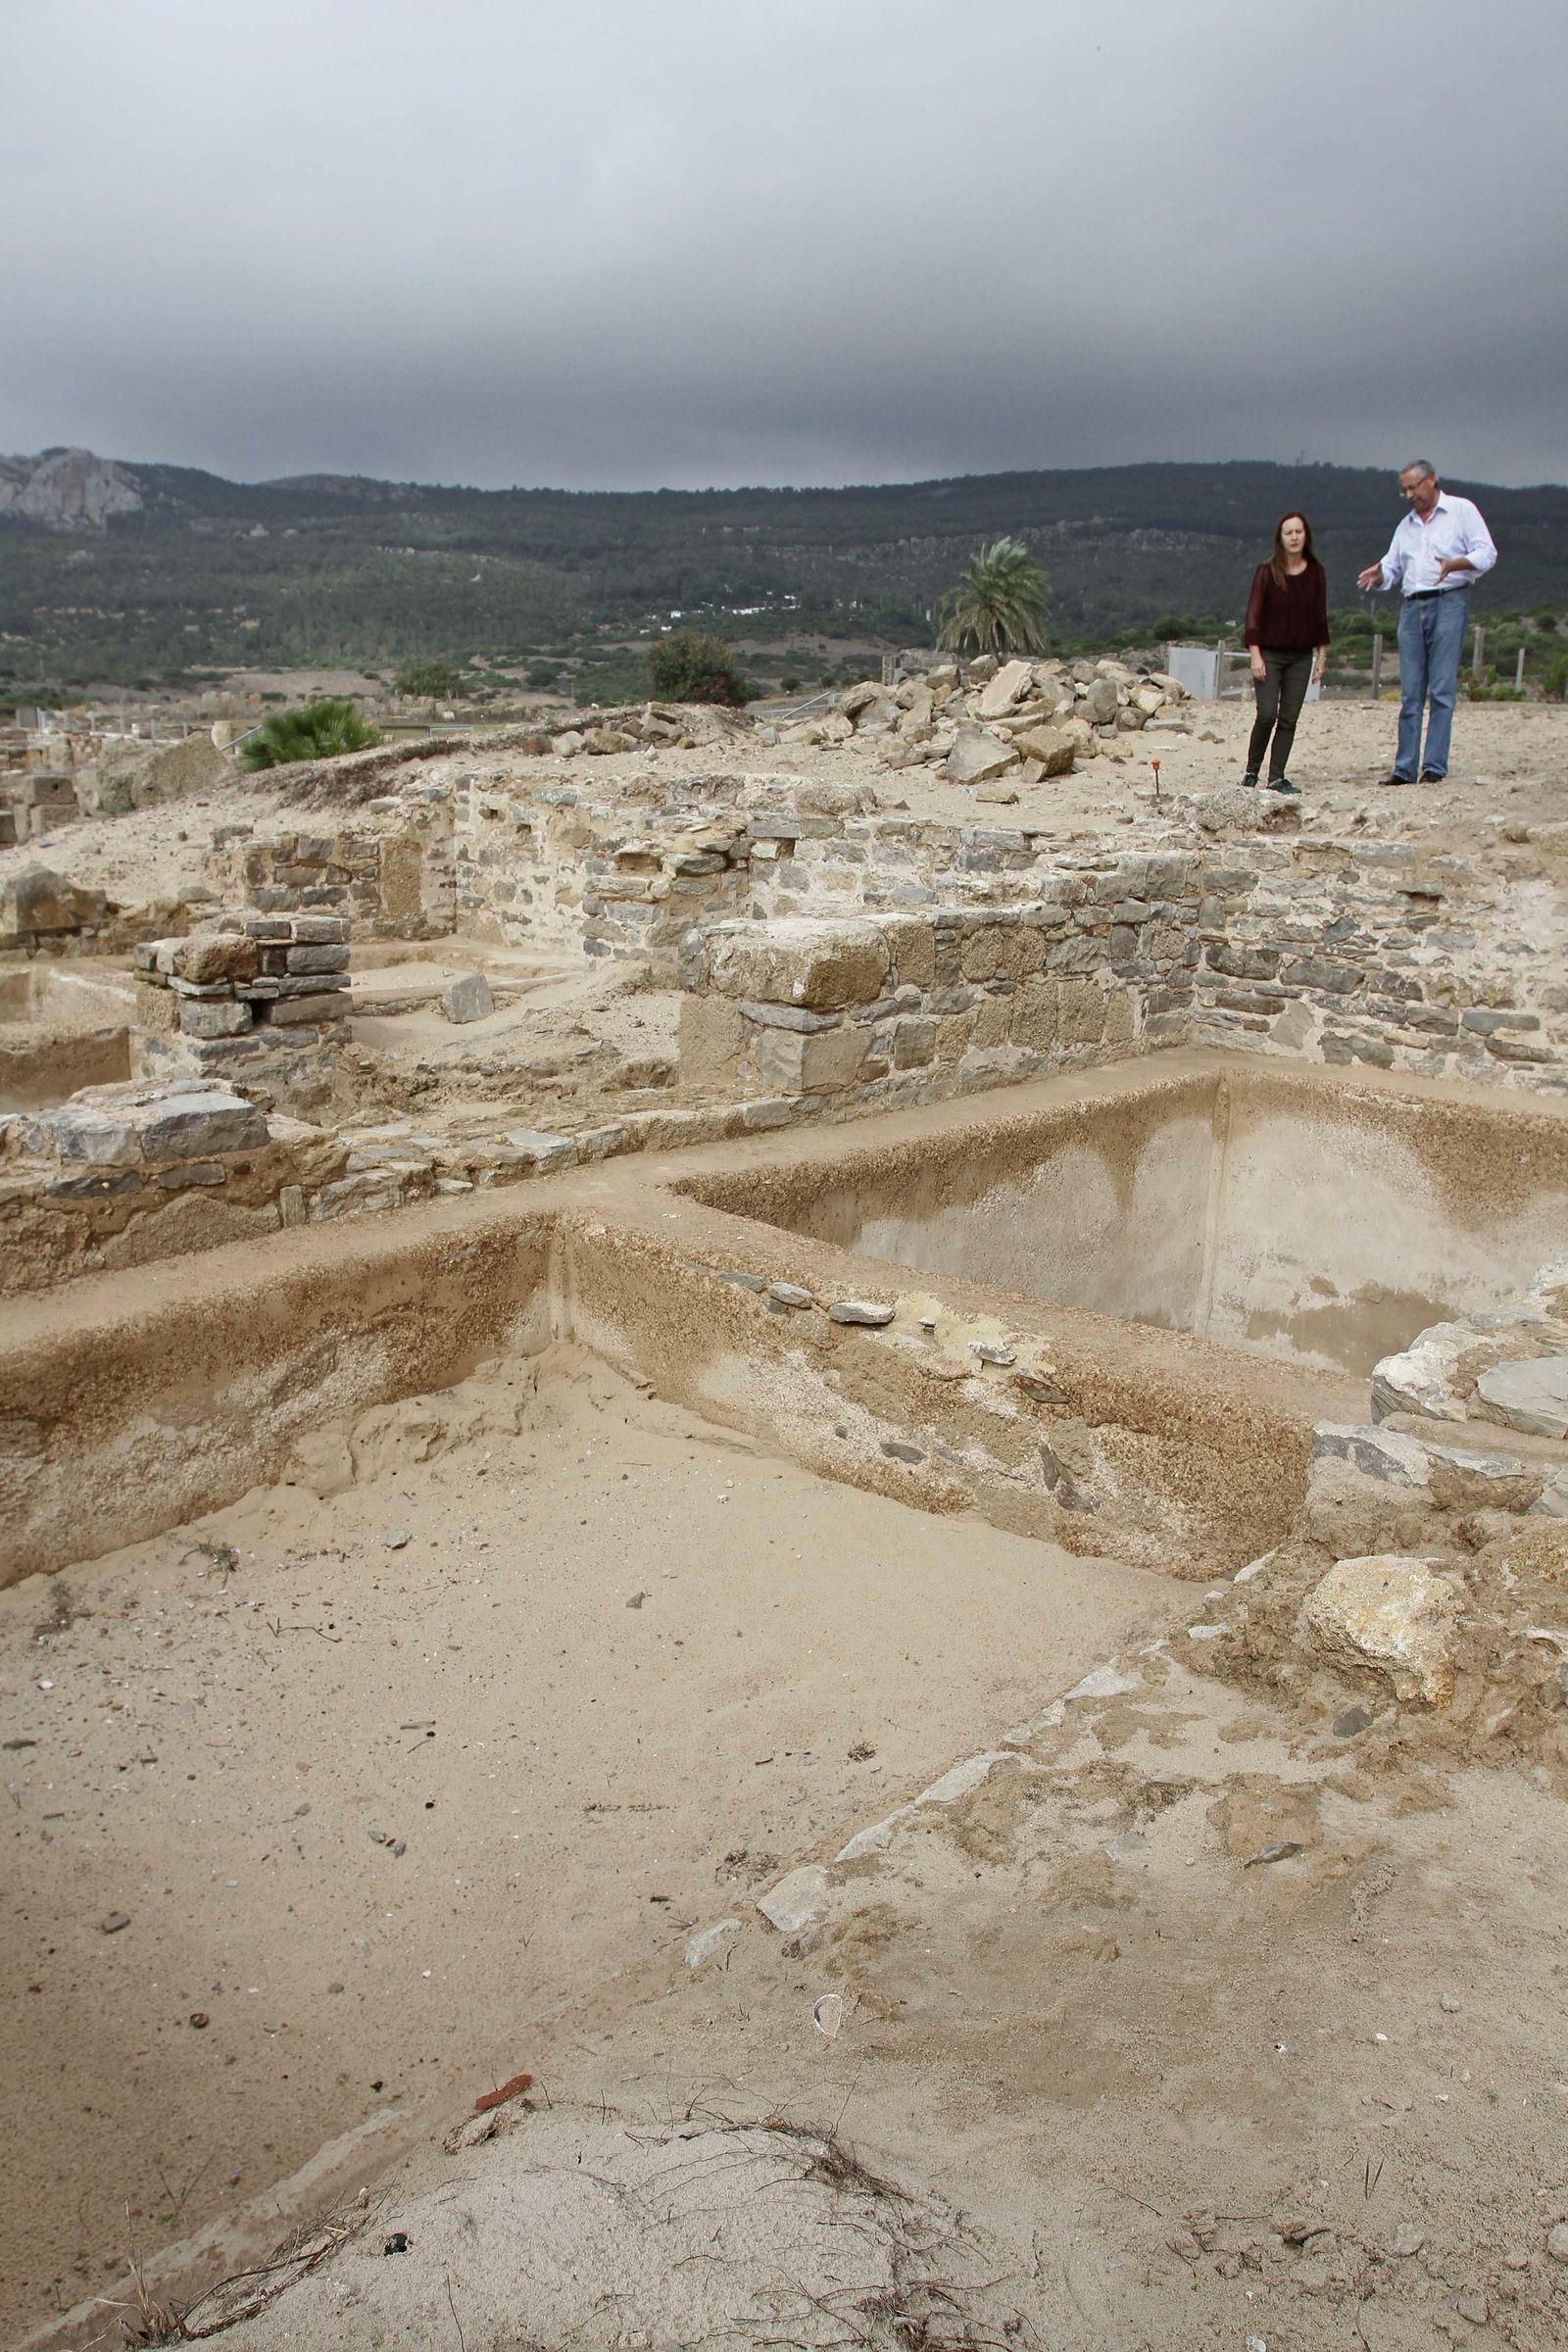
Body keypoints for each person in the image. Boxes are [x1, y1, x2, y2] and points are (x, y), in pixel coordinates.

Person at [1356, 461, 1496, 785]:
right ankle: (1404, 768)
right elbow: (1393, 566)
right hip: (1411, 606)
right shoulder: (1405, 526)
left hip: (1449, 600)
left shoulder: (1461, 510)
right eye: (1404, 490)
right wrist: (1380, 574)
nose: (1409, 495)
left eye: (1413, 487)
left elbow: (1487, 553)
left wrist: (1458, 563)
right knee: (1411, 692)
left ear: (1431, 481)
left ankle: (1433, 766)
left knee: (1442, 688)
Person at [1242, 512, 1330, 794]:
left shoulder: (1316, 573)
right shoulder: (1266, 572)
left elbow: (1320, 618)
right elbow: (1253, 616)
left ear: (1306, 536)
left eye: (1298, 532)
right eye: (1288, 532)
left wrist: (1322, 656)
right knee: (1267, 713)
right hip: (1270, 654)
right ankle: (1251, 771)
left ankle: (1276, 777)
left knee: (1289, 717)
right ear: (1280, 538)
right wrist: (1255, 654)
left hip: (1301, 656)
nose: (1294, 537)